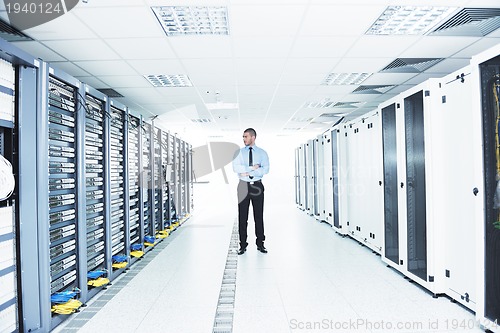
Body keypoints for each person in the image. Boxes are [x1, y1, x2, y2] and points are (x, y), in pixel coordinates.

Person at [232, 128, 269, 255]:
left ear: (253, 137)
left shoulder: (262, 153)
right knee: (243, 216)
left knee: (259, 216)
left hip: (257, 186)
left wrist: (246, 171)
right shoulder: (239, 153)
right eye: (243, 137)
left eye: (246, 136)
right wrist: (253, 167)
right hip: (243, 186)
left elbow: (265, 170)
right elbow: (236, 168)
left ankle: (260, 244)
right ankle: (242, 245)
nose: (243, 139)